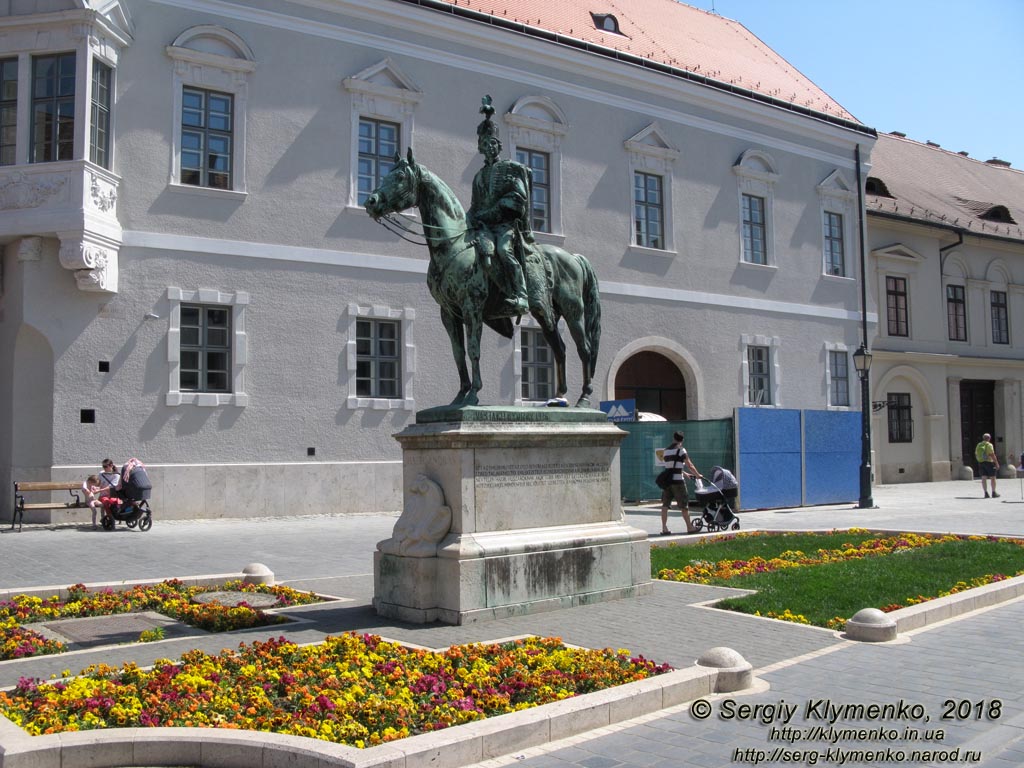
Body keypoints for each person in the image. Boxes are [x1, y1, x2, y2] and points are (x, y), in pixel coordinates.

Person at [466, 95, 532, 317]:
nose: (489, 147)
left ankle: (521, 295)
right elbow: (474, 206)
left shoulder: (510, 169)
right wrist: (469, 219)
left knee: (504, 251)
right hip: (484, 228)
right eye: (484, 144)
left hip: (505, 226)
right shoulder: (478, 177)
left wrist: (493, 212)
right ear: (481, 148)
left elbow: (517, 198)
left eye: (492, 143)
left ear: (498, 146)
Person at [660, 431, 702, 535]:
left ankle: (664, 528)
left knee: (665, 505)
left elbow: (671, 467)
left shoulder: (666, 451)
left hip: (667, 482)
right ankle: (689, 527)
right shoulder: (681, 450)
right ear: (682, 440)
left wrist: (685, 473)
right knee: (684, 506)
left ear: (673, 438)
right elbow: (689, 464)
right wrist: (697, 475)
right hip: (678, 482)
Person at [974, 434, 999, 498]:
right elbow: (992, 454)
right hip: (989, 463)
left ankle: (985, 493)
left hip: (981, 462)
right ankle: (993, 492)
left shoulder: (979, 445)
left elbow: (976, 454)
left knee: (983, 478)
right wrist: (996, 463)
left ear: (983, 438)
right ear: (989, 438)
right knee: (993, 478)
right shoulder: (989, 445)